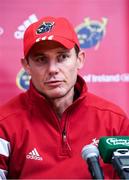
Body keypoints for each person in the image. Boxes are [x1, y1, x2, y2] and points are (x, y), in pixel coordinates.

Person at [0, 16, 129, 179]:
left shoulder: (114, 121)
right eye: (41, 59)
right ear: (27, 66)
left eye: (62, 57)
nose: (53, 69)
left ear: (79, 59)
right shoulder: (4, 124)